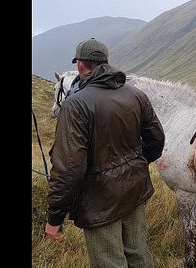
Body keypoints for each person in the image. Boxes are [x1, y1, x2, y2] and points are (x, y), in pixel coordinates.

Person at [44, 38, 165, 268]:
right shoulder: (135, 94)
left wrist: (54, 218)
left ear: (80, 65)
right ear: (105, 63)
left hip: (99, 202)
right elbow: (157, 140)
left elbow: (69, 169)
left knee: (110, 262)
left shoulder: (75, 105)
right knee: (139, 256)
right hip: (135, 191)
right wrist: (135, 165)